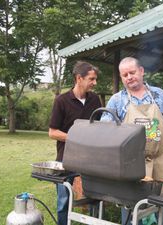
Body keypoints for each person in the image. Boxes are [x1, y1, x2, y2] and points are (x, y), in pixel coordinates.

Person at [101, 57, 163, 225]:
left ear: (141, 71)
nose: (129, 77)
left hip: (160, 160)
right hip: (131, 164)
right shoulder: (117, 100)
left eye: (132, 72)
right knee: (129, 206)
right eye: (124, 75)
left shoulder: (159, 95)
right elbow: (105, 132)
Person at [49, 61, 102, 225]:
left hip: (90, 161)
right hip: (66, 160)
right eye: (91, 79)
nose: (94, 83)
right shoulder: (61, 100)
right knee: (64, 202)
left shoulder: (95, 100)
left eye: (95, 79)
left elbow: (100, 128)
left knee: (94, 200)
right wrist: (76, 137)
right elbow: (53, 132)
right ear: (79, 78)